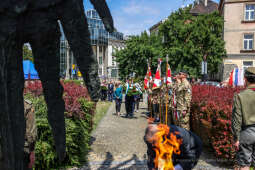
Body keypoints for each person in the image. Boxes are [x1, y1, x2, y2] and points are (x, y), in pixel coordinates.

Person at [232, 67, 255, 170]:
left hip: (247, 132)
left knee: (245, 165)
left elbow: (237, 118)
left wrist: (236, 137)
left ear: (245, 79)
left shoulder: (240, 96)